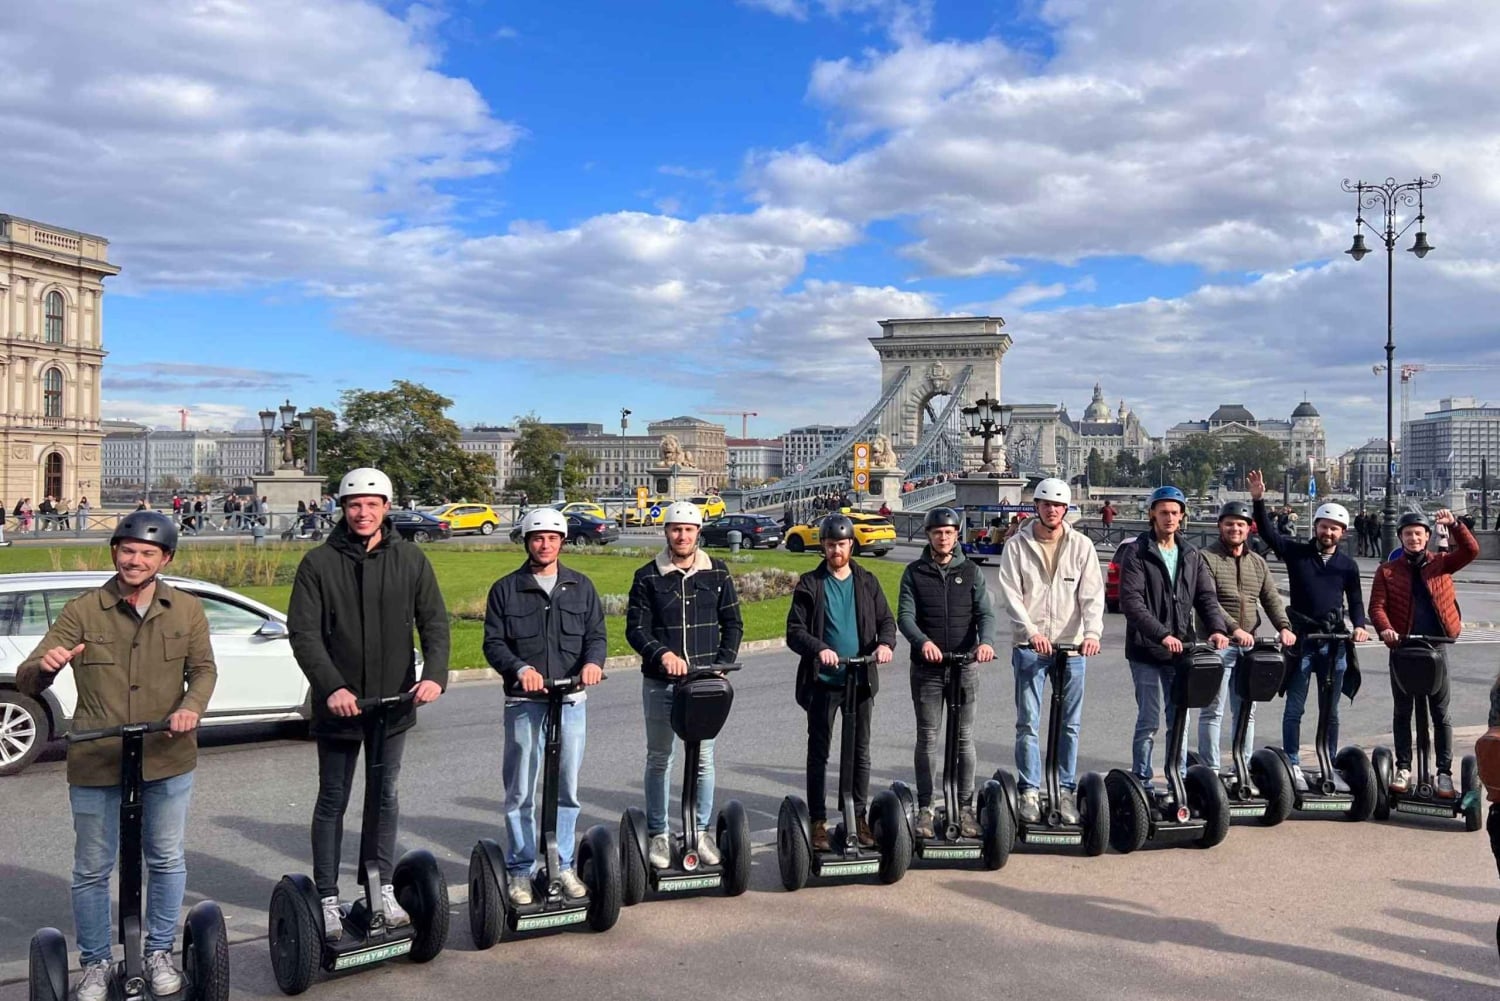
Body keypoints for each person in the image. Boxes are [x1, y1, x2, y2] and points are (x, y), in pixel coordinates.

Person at [17, 511, 216, 1001]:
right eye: (128, 550)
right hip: (97, 756)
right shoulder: (82, 610)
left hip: (166, 753)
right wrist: (44, 667)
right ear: (115, 552)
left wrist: (190, 707)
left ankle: (158, 952)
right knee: (92, 866)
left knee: (165, 858)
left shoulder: (186, 609)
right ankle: (96, 963)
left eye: (148, 553)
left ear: (164, 559)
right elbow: (27, 676)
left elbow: (204, 671)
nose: (135, 559)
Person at [286, 467, 449, 941]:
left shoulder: (410, 559)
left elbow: (434, 623)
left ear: (386, 507)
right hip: (342, 706)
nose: (363, 512)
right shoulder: (318, 563)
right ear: (342, 508)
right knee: (333, 798)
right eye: (355, 505)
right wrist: (332, 687)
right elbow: (304, 633)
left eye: (372, 504)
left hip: (393, 704)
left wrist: (434, 675)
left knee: (385, 795)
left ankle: (378, 889)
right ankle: (327, 896)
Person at [483, 508, 606, 903]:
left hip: (570, 700)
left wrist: (592, 663)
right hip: (525, 702)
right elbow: (494, 643)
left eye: (552, 538)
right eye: (538, 538)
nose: (545, 544)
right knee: (520, 788)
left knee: (567, 788)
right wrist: (520, 669)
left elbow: (596, 636)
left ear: (562, 542)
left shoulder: (580, 586)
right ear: (526, 542)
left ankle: (563, 864)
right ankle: (520, 868)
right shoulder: (506, 589)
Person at [625, 500, 743, 869]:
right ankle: (659, 834)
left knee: (704, 758)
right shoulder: (648, 576)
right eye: (676, 529)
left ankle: (701, 831)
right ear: (666, 533)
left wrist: (722, 664)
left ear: (698, 534)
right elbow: (635, 629)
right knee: (660, 757)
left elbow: (733, 624)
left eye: (688, 530)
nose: (682, 535)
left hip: (705, 683)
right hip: (662, 682)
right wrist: (661, 654)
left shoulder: (718, 573)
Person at [1248, 469, 1369, 791]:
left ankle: (1328, 761)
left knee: (1331, 710)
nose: (1328, 532)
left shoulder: (1347, 565)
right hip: (1303, 639)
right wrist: (1258, 500)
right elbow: (1271, 535)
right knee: (1295, 707)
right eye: (1324, 526)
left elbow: (1355, 601)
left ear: (1342, 533)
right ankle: (1293, 762)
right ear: (1315, 526)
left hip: (1334, 642)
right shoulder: (1298, 553)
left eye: (1334, 528)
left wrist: (1358, 626)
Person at [994, 479, 1103, 824]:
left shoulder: (1082, 545)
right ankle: (1029, 789)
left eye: (1058, 506)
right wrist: (1031, 632)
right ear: (1036, 507)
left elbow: (1091, 596)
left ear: (1066, 509)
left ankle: (1065, 789)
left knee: (1070, 724)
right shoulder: (1017, 546)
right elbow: (1010, 595)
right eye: (1045, 504)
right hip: (1030, 647)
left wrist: (1093, 633)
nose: (1052, 510)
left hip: (1072, 648)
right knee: (1028, 723)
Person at [786, 514, 896, 850]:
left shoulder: (867, 581)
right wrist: (820, 649)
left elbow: (886, 621)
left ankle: (857, 816)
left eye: (842, 544)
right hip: (823, 681)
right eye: (831, 544)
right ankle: (818, 821)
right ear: (823, 546)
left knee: (859, 752)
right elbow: (795, 632)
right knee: (819, 751)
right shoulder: (810, 584)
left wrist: (885, 645)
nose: (837, 550)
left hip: (860, 679)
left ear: (851, 545)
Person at [1117, 485, 1230, 789]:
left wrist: (1218, 629)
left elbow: (1206, 596)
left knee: (1180, 718)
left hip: (1181, 651)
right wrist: (1162, 634)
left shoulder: (1190, 554)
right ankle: (1142, 780)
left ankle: (1176, 779)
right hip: (1146, 650)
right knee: (1150, 720)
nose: (1169, 518)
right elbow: (1132, 602)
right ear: (1152, 514)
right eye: (1163, 512)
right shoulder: (1137, 552)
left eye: (1175, 513)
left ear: (1182, 517)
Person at [897, 507, 998, 838]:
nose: (943, 537)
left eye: (949, 532)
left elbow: (986, 613)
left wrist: (986, 643)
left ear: (957, 535)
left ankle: (965, 806)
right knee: (928, 736)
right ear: (928, 535)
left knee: (964, 737)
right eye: (937, 532)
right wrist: (923, 641)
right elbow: (906, 616)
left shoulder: (970, 572)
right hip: (928, 668)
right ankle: (926, 807)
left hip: (965, 666)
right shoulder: (914, 572)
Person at [1369, 509, 1477, 797]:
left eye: (1418, 533)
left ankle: (1443, 772)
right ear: (1401, 538)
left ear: (1427, 537)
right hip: (1403, 648)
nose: (1413, 537)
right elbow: (1376, 607)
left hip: (1436, 645)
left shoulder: (1442, 564)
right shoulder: (1387, 571)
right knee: (1403, 710)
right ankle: (1404, 767)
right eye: (1408, 533)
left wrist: (1455, 525)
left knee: (1440, 713)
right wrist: (1386, 630)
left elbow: (1471, 550)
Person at [1197, 501, 1296, 770]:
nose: (1234, 528)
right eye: (1229, 523)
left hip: (1250, 644)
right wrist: (1233, 630)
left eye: (1240, 524)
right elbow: (1208, 601)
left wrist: (1284, 627)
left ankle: (1242, 767)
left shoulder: (1257, 562)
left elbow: (1271, 598)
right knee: (1212, 711)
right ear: (1220, 526)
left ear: (1249, 528)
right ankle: (1211, 771)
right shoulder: (1206, 557)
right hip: (1218, 642)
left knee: (1246, 712)